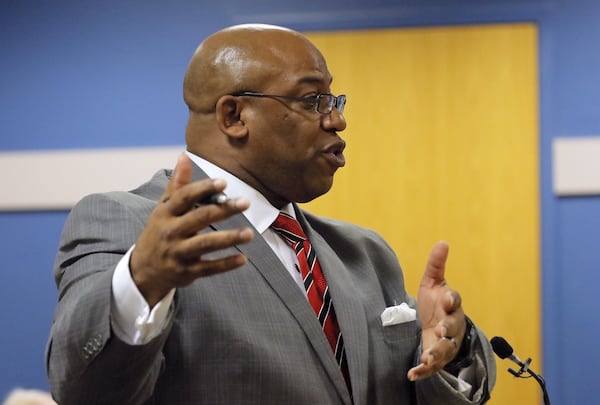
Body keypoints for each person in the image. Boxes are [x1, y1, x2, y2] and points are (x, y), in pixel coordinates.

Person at [46, 23, 496, 404]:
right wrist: (140, 284)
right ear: (234, 115)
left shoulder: (364, 253)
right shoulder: (130, 224)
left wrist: (447, 350)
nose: (337, 122)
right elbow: (84, 389)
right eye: (312, 101)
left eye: (335, 102)